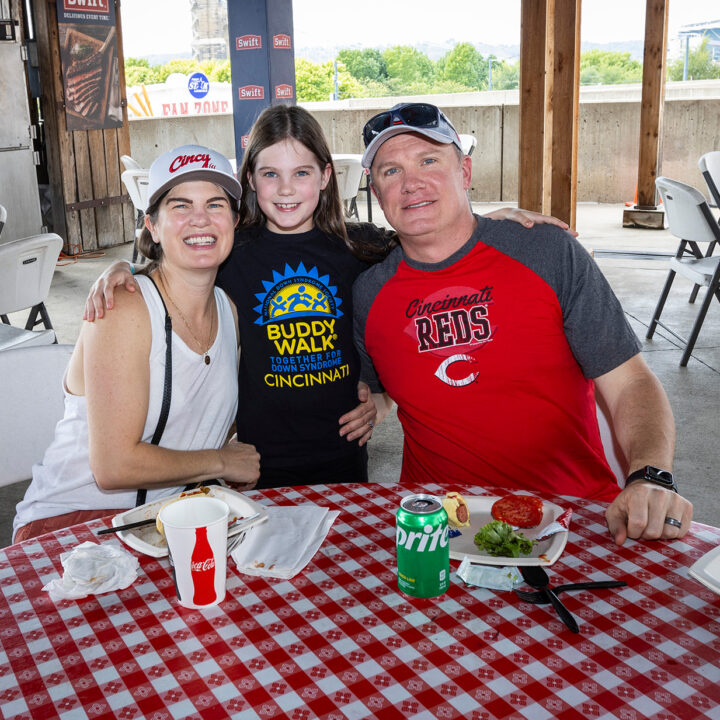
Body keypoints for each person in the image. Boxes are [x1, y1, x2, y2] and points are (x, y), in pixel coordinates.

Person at [83, 107, 570, 488]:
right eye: (270, 174)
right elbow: (180, 257)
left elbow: (433, 236)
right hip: (254, 463)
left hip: (343, 455)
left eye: (301, 173)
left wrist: (489, 222)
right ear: (250, 180)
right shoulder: (231, 251)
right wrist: (125, 268)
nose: (287, 189)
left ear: (325, 176)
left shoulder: (362, 246)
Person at [352, 102, 693, 546]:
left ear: (466, 171)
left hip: (572, 518)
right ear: (377, 193)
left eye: (429, 160)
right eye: (390, 171)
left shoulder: (547, 253)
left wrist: (650, 475)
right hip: (441, 525)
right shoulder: (367, 292)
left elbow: (629, 382)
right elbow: (375, 395)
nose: (412, 183)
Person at [13, 145, 260, 542]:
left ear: (233, 220)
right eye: (181, 206)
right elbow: (113, 467)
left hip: (171, 517)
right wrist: (221, 462)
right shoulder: (124, 306)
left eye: (215, 205)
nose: (200, 218)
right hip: (77, 520)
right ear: (153, 226)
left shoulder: (228, 309)